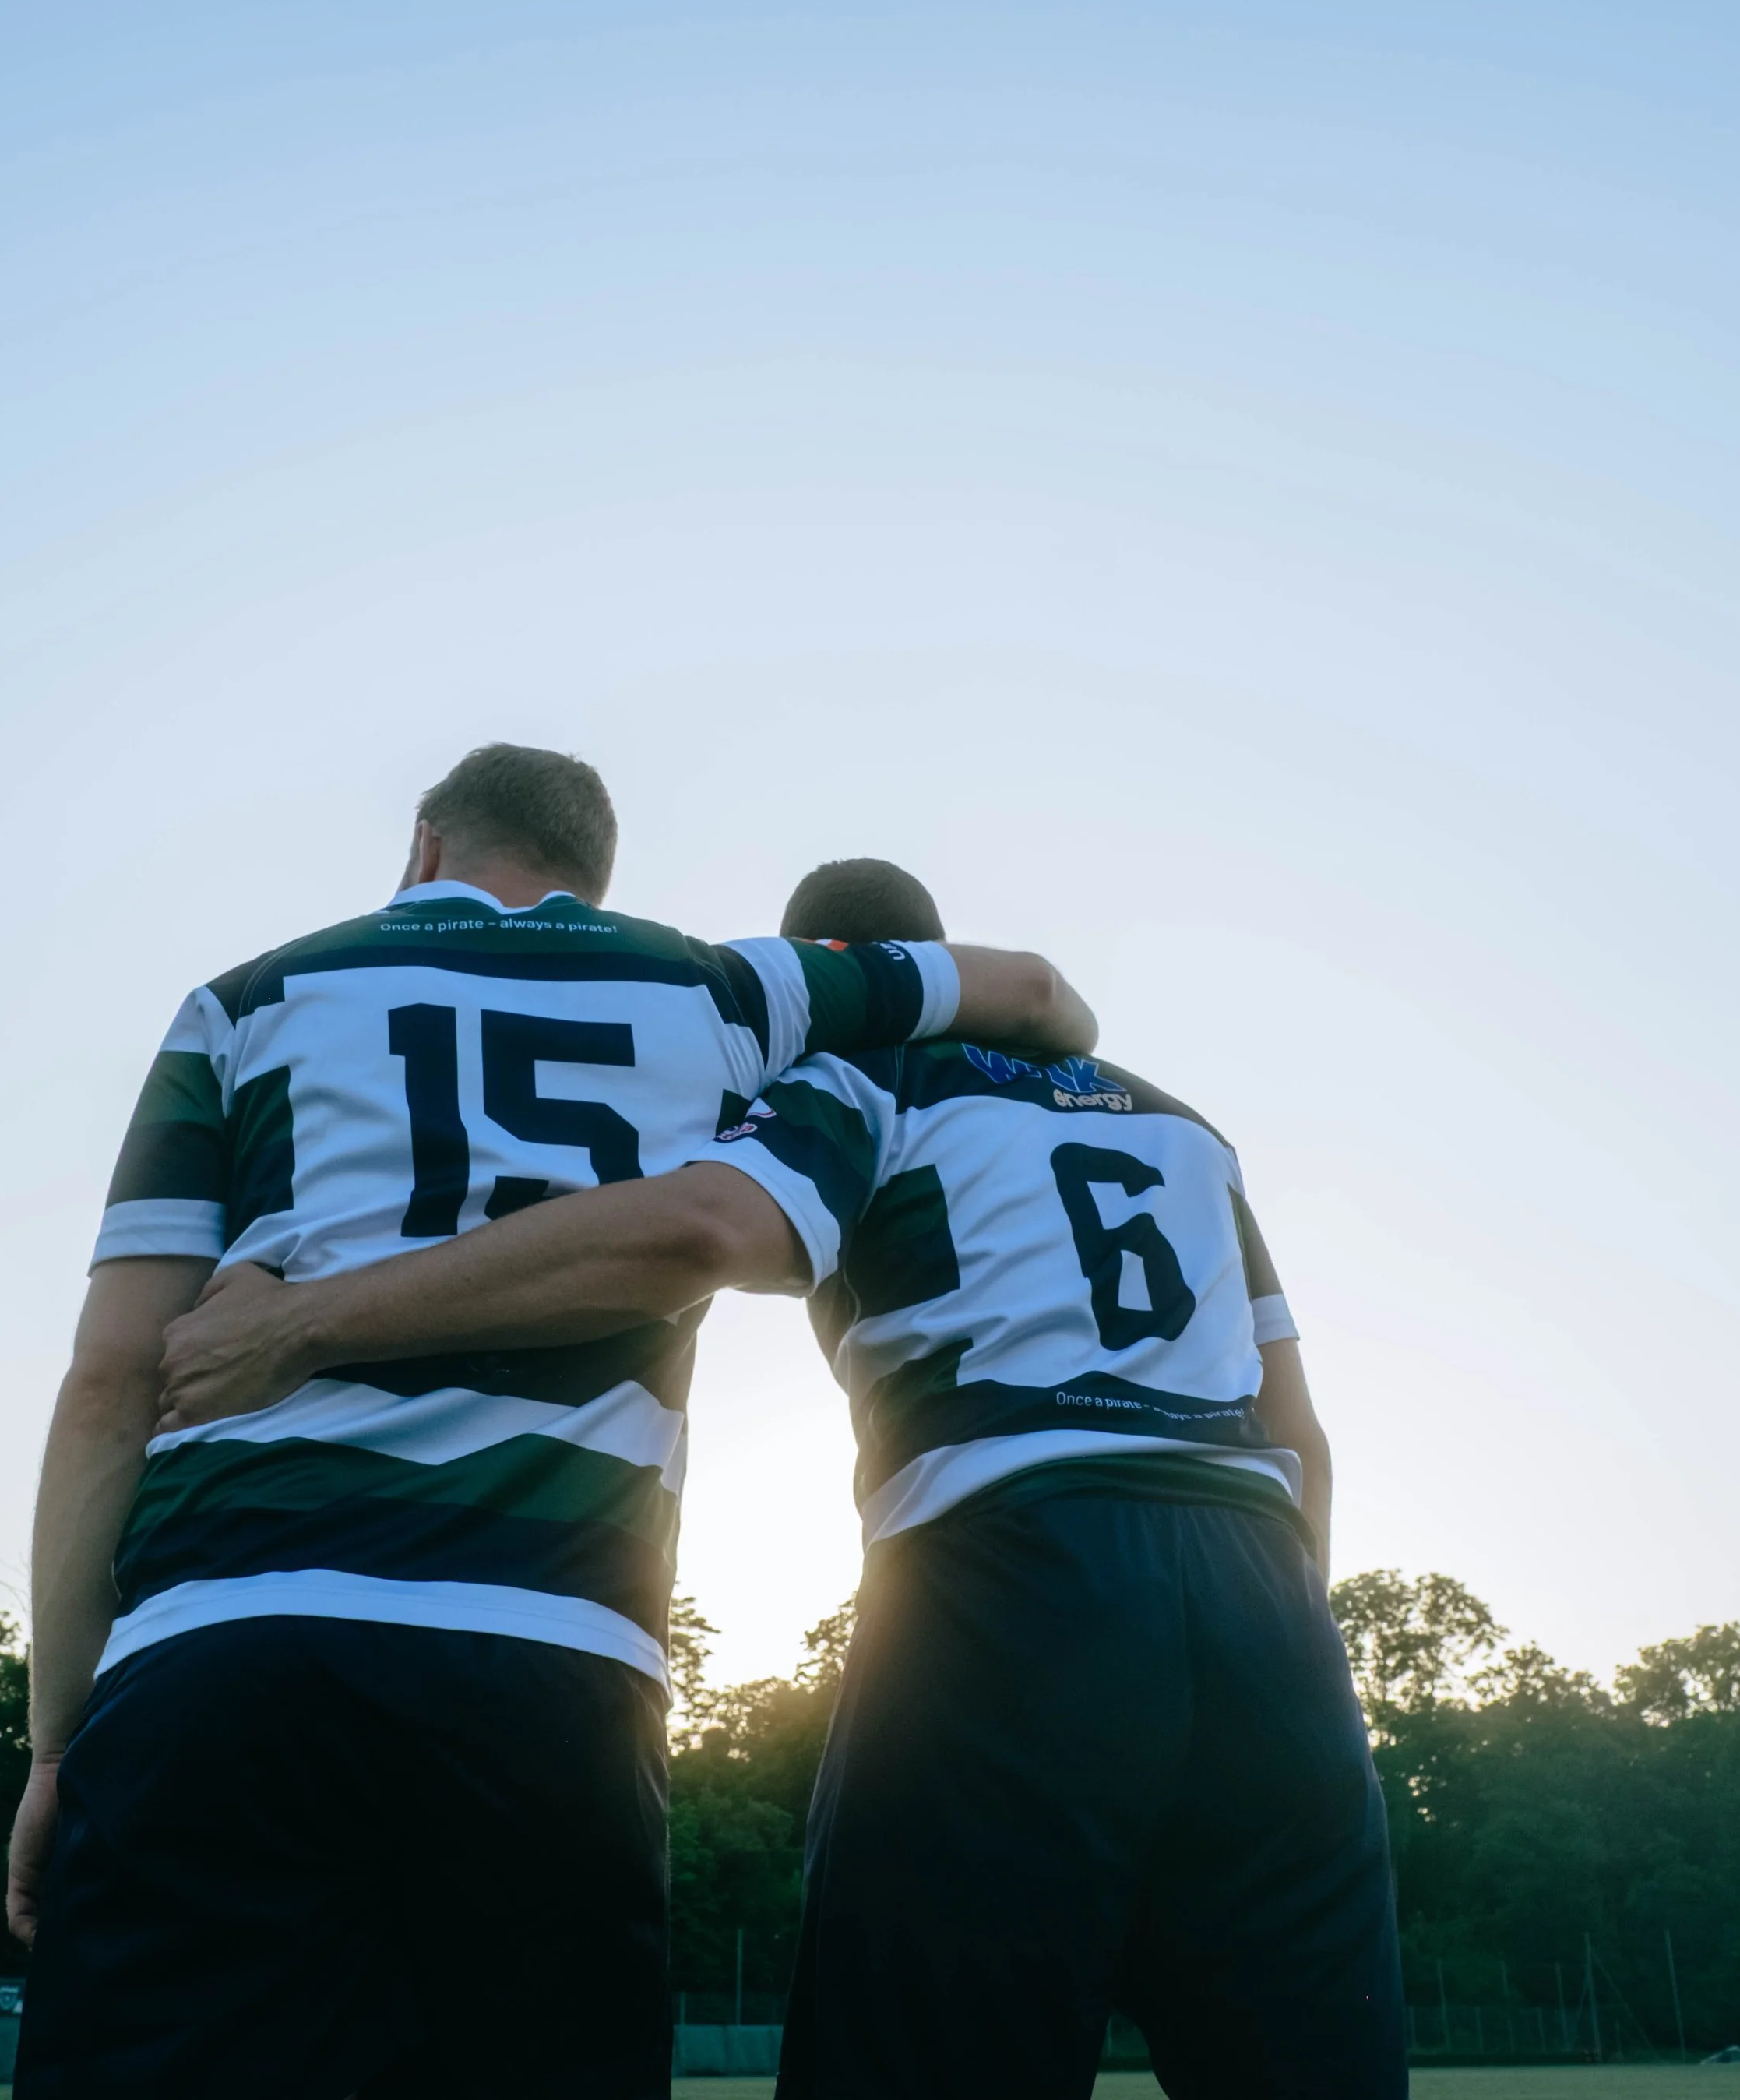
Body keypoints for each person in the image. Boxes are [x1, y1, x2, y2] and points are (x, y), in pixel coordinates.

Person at [166, 854, 1403, 2100]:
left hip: (1019, 1566)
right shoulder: (1185, 1127)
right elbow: (1301, 1430)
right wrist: (1277, 1636)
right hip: (1269, 1603)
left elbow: (706, 1230)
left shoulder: (863, 1075)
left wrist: (308, 1320)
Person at [12, 759, 1092, 2100]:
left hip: (227, 1642)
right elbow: (1036, 993)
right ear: (594, 876)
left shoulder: (246, 1000)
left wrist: (58, 1741)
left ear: (422, 847)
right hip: (548, 1660)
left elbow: (111, 1384)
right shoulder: (719, 987)